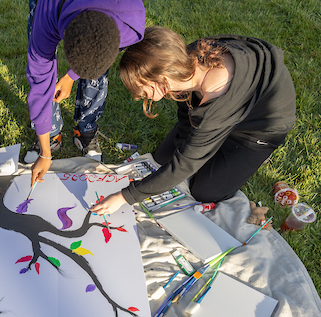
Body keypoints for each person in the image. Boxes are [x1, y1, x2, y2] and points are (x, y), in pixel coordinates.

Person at [90, 26, 296, 215]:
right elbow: (186, 112)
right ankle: (212, 143)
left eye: (139, 88)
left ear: (161, 80)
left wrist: (125, 197)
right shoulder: (183, 63)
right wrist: (187, 147)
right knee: (162, 157)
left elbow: (185, 164)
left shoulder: (216, 98)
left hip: (256, 131)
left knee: (204, 190)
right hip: (222, 114)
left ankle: (251, 155)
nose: (136, 96)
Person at [24, 0, 146, 186]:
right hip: (55, 11)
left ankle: (86, 129)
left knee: (95, 69)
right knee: (42, 56)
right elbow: (40, 81)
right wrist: (45, 154)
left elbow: (99, 55)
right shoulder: (48, 15)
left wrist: (70, 76)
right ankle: (50, 135)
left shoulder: (131, 23)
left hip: (112, 16)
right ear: (63, 33)